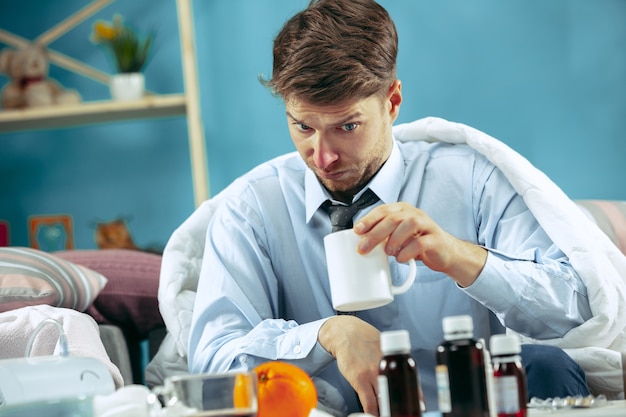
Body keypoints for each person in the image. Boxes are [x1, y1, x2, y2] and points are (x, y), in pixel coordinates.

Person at [187, 0, 596, 415]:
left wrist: (459, 257)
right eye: (303, 127)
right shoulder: (253, 208)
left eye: (347, 126)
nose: (323, 156)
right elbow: (211, 361)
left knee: (549, 366)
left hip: (471, 401)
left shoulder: (471, 180)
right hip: (330, 408)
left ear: (392, 101)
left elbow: (572, 308)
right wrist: (327, 334)